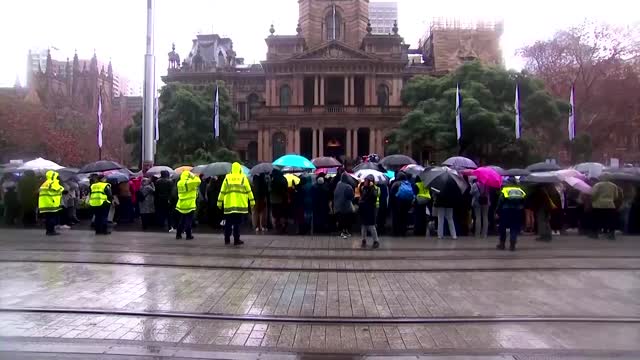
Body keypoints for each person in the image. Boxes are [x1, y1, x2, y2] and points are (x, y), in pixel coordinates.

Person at [217, 162, 255, 245]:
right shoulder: (243, 178)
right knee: (237, 223)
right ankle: (236, 240)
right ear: (239, 169)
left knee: (228, 223)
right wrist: (252, 201)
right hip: (239, 205)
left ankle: (227, 239)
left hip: (229, 205)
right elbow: (249, 191)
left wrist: (219, 202)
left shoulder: (227, 178)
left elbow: (222, 191)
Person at [496, 179, 527, 251]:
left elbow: (500, 201)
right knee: (514, 227)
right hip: (517, 211)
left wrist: (498, 211)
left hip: (506, 211)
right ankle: (512, 244)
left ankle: (502, 244)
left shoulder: (505, 190)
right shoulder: (519, 190)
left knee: (502, 227)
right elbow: (523, 201)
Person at [175, 171, 201, 240]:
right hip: (189, 204)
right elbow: (198, 181)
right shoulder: (189, 182)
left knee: (182, 220)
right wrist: (194, 176)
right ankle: (188, 235)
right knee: (188, 221)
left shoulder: (179, 183)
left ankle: (178, 234)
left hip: (181, 204)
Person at [38, 170, 64, 236]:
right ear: (53, 176)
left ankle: (48, 231)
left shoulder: (45, 183)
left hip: (45, 203)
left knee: (47, 218)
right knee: (51, 218)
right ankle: (51, 231)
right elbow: (60, 189)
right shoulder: (52, 183)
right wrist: (61, 185)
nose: (57, 177)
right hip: (51, 203)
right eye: (56, 176)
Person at [359, 175, 380, 249]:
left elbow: (373, 197)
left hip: (370, 210)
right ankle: (363, 240)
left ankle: (376, 241)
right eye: (364, 180)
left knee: (371, 226)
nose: (364, 182)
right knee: (363, 226)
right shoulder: (363, 188)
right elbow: (362, 197)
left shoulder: (374, 189)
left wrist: (371, 188)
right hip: (364, 210)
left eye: (366, 181)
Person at [333, 173, 355, 238]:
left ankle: (342, 231)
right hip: (346, 206)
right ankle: (346, 231)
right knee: (347, 219)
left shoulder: (338, 184)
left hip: (337, 206)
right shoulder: (348, 187)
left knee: (341, 220)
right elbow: (351, 197)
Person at [269, 169, 289, 234]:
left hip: (274, 200)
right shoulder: (283, 179)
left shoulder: (272, 180)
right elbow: (286, 189)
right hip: (282, 200)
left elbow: (270, 190)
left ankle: (277, 228)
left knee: (275, 215)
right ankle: (284, 227)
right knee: (283, 214)